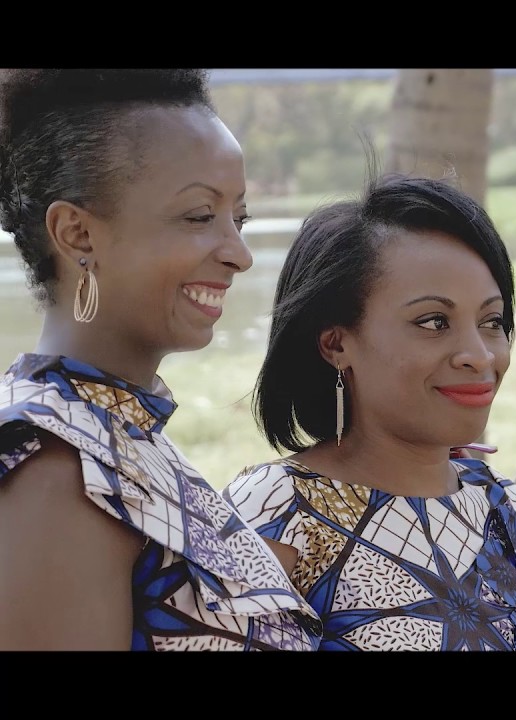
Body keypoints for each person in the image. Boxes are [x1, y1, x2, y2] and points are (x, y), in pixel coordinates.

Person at [0, 69, 318, 650]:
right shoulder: (56, 469)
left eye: (238, 219)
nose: (240, 255)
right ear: (77, 234)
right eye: (200, 216)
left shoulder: (115, 432)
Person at [221, 171, 516, 651]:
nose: (480, 355)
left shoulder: (501, 510)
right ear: (336, 343)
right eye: (433, 322)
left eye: (492, 321)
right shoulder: (280, 512)